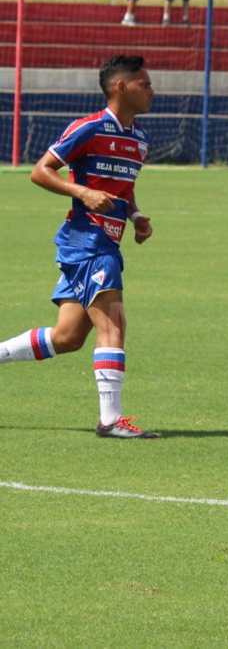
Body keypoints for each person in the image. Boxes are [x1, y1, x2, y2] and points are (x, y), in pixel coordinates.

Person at [0, 55, 157, 439]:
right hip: (87, 240)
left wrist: (135, 217)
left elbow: (125, 187)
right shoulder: (88, 128)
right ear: (121, 87)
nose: (152, 90)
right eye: (145, 84)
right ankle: (111, 420)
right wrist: (81, 191)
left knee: (68, 337)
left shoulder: (139, 139)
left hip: (106, 239)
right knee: (114, 323)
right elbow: (40, 171)